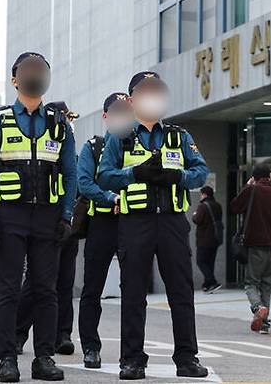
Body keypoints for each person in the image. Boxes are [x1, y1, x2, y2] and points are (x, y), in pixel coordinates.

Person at [98, 71, 209, 380]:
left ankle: (187, 358)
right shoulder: (119, 135)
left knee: (182, 293)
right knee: (133, 293)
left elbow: (201, 171)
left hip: (173, 222)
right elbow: (105, 176)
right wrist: (136, 174)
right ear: (132, 99)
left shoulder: (179, 136)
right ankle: (132, 360)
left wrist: (179, 177)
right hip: (136, 222)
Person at [0, 52, 77, 382]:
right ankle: (7, 358)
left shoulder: (60, 124)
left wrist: (66, 215)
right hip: (9, 216)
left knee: (46, 290)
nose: (35, 75)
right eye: (28, 70)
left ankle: (44, 358)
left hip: (48, 217)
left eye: (41, 70)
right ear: (14, 79)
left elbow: (71, 173)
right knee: (7, 291)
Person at [15, 102, 80, 358]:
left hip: (66, 224)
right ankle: (18, 333)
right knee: (37, 283)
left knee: (65, 282)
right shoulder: (41, 147)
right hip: (44, 222)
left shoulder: (70, 147)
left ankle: (62, 335)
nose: (68, 123)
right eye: (65, 118)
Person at [78, 92, 132, 369]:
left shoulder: (140, 145)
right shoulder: (94, 147)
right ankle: (90, 347)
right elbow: (84, 183)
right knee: (92, 289)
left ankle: (131, 351)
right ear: (106, 116)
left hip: (133, 224)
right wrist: (111, 198)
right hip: (102, 224)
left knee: (133, 290)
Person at [231, 164, 271, 334]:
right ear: (270, 176)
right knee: (267, 285)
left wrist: (247, 186)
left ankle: (258, 308)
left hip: (254, 246)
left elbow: (234, 207)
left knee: (251, 283)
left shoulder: (251, 191)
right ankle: (264, 323)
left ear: (254, 177)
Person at [192, 185, 223, 293]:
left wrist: (194, 215)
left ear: (204, 194)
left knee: (200, 261)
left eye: (201, 194)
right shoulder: (218, 205)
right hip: (215, 238)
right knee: (210, 262)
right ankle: (207, 284)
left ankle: (212, 281)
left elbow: (197, 219)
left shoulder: (203, 206)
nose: (200, 196)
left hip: (204, 239)